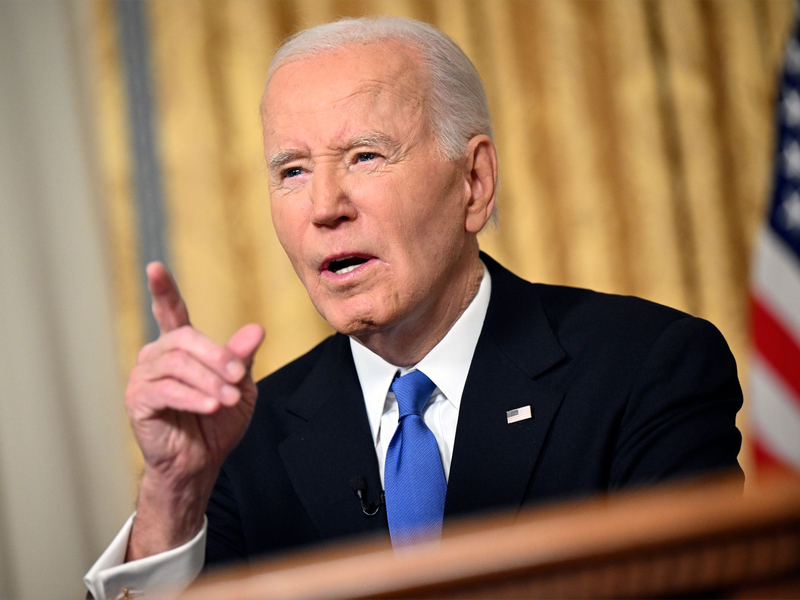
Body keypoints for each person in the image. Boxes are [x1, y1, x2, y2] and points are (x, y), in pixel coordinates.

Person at [85, 15, 743, 600]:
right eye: (292, 170)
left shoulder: (646, 368)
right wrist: (170, 498)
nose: (324, 207)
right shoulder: (236, 444)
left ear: (474, 181)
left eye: (365, 156)